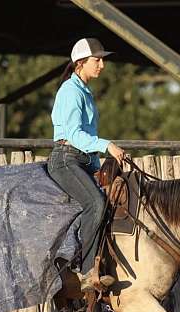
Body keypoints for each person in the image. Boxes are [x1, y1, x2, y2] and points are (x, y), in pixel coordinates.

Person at [47, 38, 125, 292]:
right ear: (80, 63)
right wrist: (107, 145)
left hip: (80, 161)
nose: (102, 65)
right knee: (95, 203)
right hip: (66, 159)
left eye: (103, 60)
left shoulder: (84, 92)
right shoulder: (71, 92)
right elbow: (72, 135)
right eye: (97, 60)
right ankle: (85, 270)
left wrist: (99, 166)